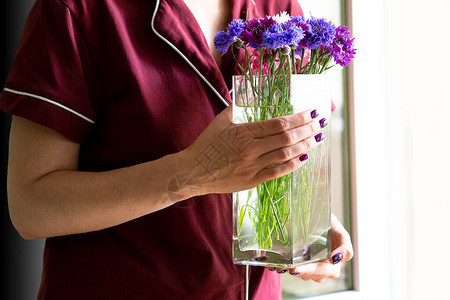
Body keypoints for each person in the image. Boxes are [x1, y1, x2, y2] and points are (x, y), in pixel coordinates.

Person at [0, 0, 353, 299]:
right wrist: (191, 173)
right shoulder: (78, 10)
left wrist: (303, 220)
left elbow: (276, 149)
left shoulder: (277, 8)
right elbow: (31, 206)